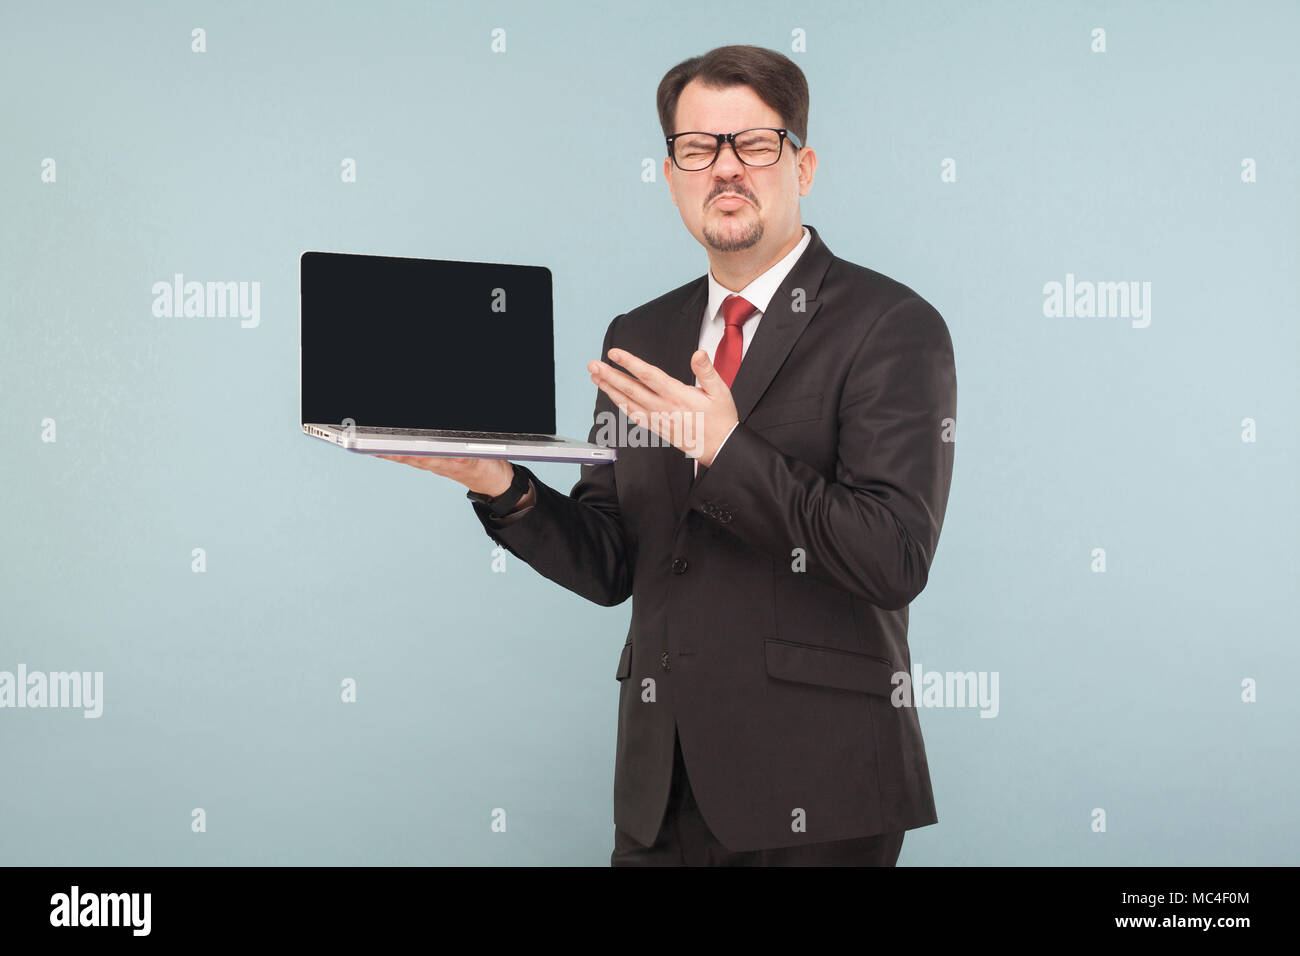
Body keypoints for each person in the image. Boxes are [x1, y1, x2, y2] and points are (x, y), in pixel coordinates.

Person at [376, 44, 956, 866]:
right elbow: (614, 561)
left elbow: (892, 557)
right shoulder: (639, 336)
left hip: (818, 790)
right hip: (659, 790)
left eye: (754, 143)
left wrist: (725, 448)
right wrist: (500, 485)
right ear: (671, 171)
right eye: (698, 149)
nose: (725, 169)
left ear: (805, 163)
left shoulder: (891, 326)